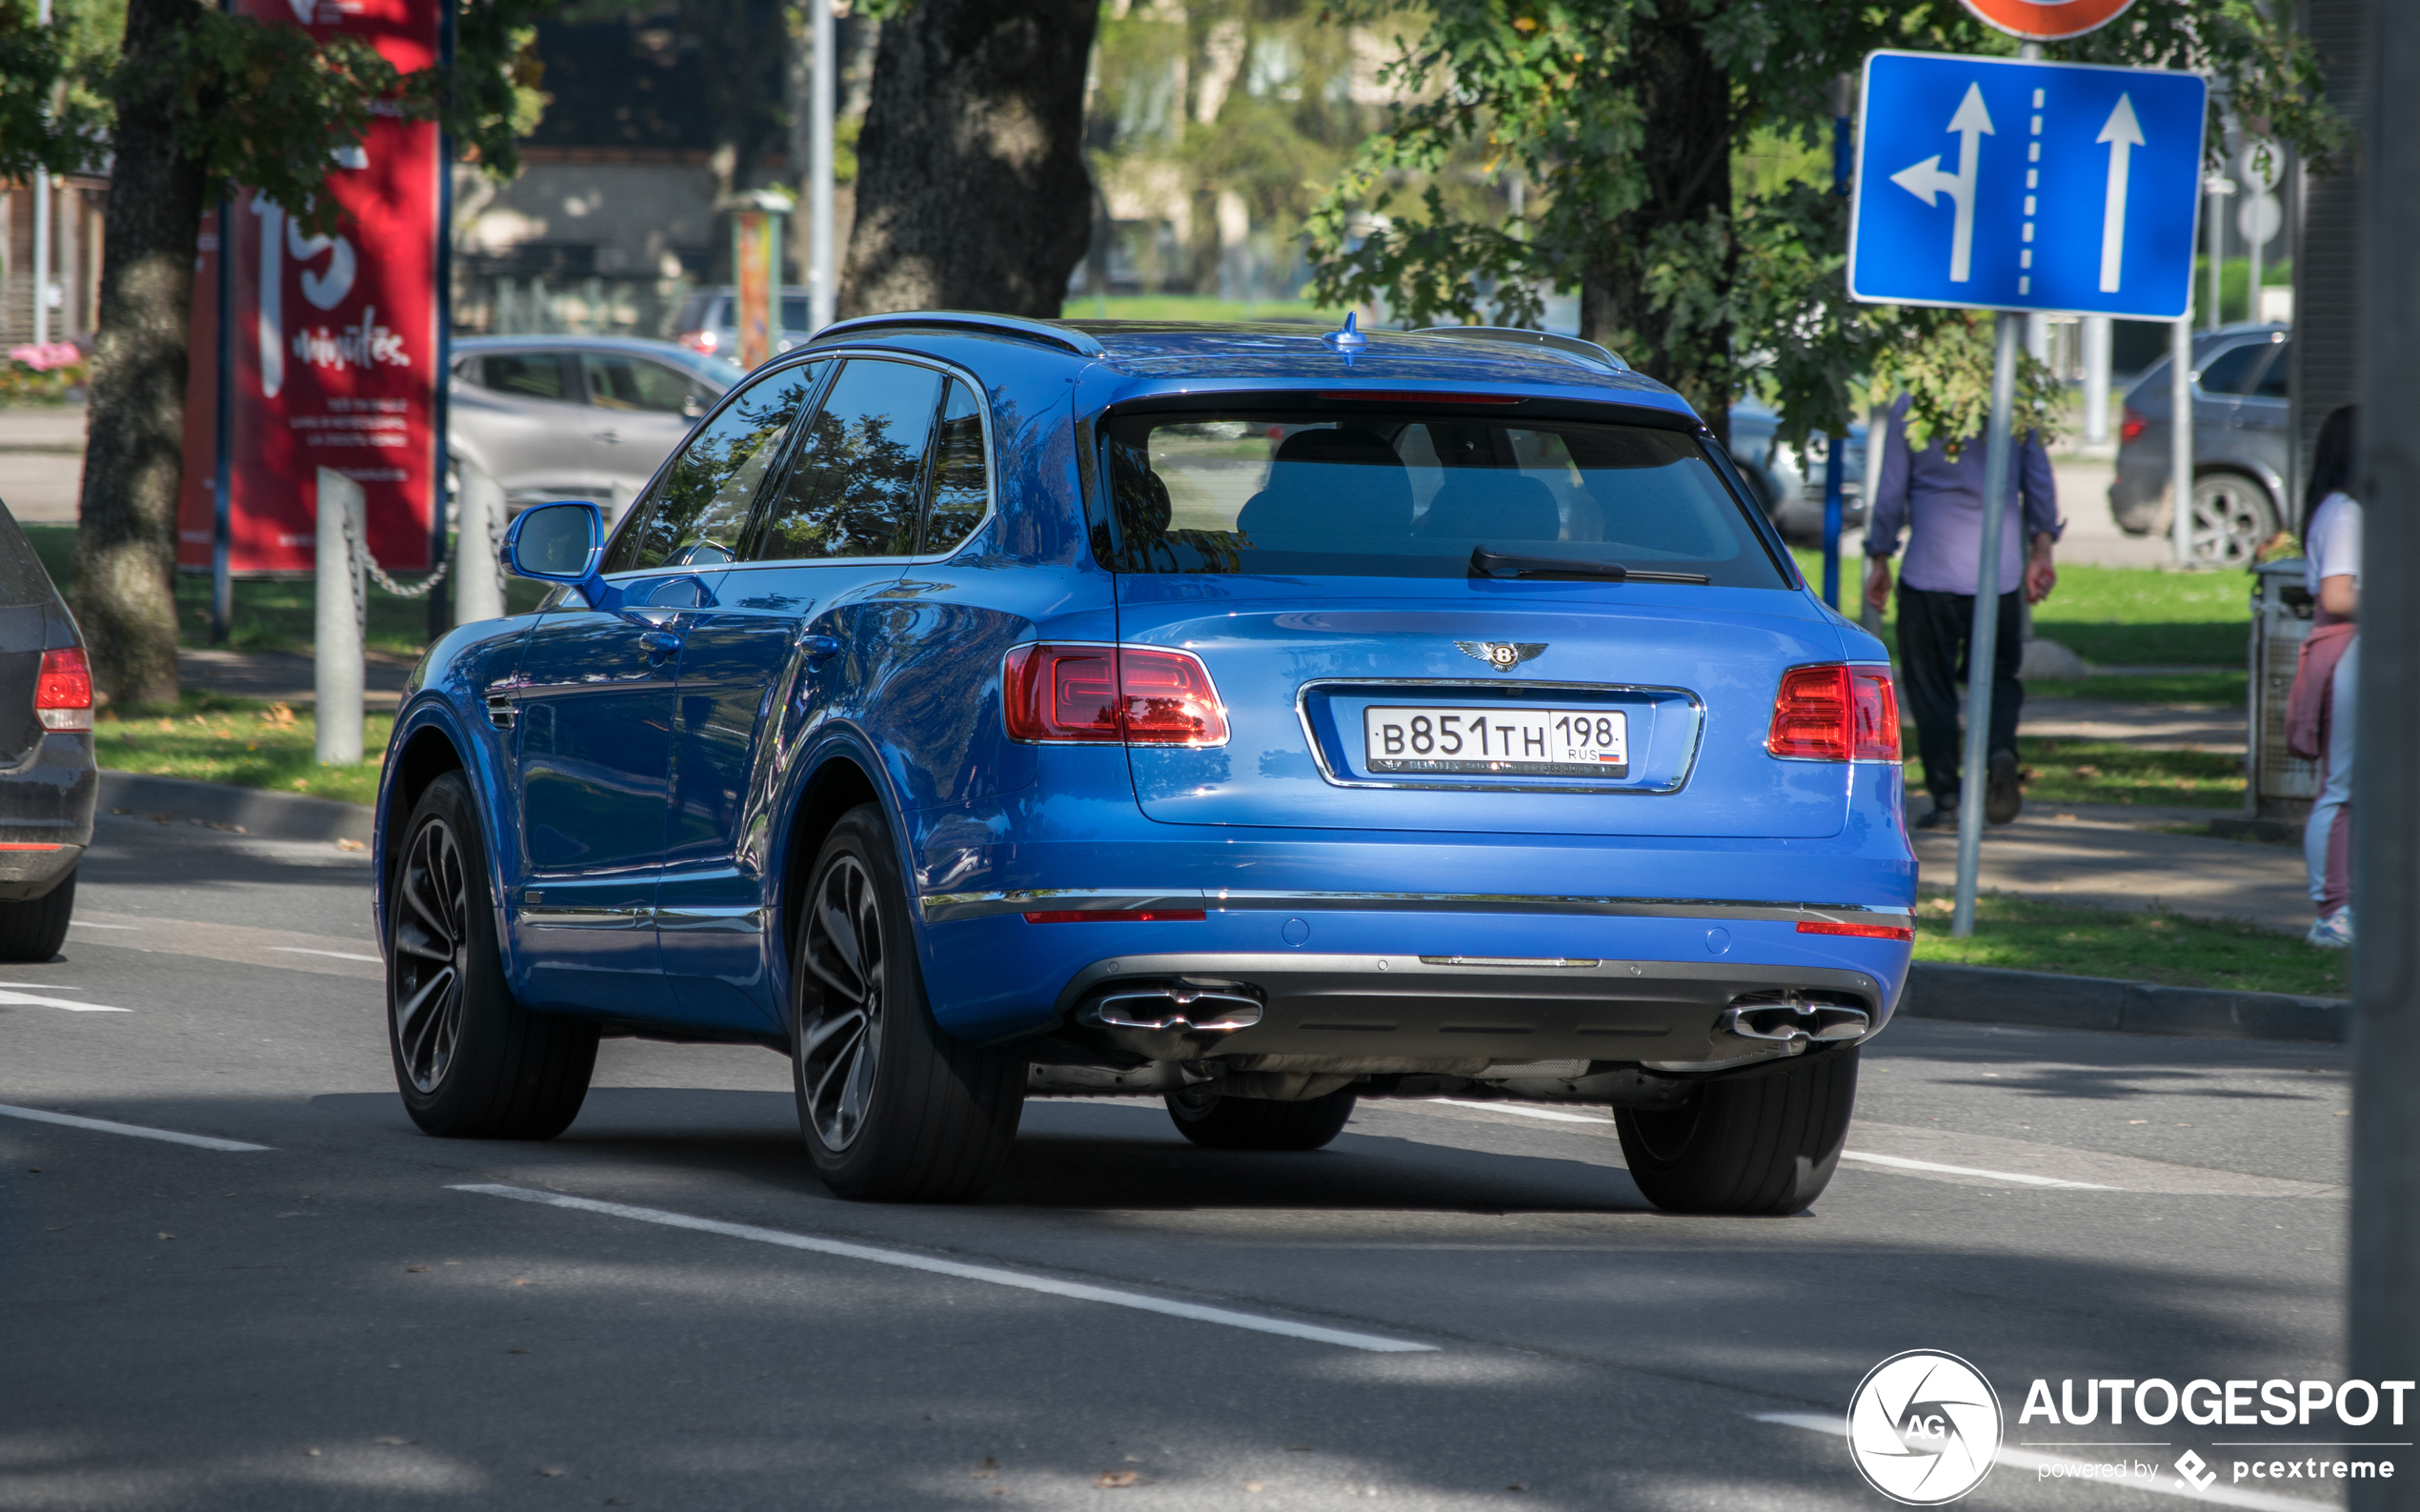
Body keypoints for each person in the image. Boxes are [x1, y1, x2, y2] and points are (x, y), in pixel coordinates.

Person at [1863, 396, 2062, 830]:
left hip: (1930, 567)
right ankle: (1999, 751)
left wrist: (1879, 555)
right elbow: (2039, 479)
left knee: (1930, 687)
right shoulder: (2012, 397)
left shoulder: (1914, 404)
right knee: (1999, 676)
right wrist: (2042, 548)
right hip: (2000, 570)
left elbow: (1892, 488)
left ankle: (1948, 798)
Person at [2286, 406, 2359, 948]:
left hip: (2352, 650)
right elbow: (2337, 594)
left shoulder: (2341, 509)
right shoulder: (2347, 513)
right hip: (2349, 651)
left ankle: (2348, 902)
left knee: (2355, 785)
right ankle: (2333, 911)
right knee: (2343, 786)